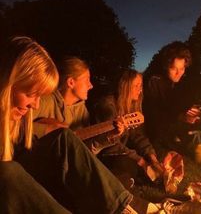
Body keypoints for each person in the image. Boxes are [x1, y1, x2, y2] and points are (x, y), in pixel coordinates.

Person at [0, 36, 141, 214]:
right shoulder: (46, 102)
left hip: (31, 169)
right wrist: (47, 128)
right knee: (8, 172)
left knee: (64, 138)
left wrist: (103, 141)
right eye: (30, 94)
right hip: (14, 175)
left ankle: (123, 209)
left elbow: (77, 159)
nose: (34, 105)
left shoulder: (81, 111)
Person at [94, 69, 164, 188]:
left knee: (158, 154)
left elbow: (138, 136)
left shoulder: (132, 106)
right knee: (126, 163)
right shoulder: (108, 106)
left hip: (123, 151)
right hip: (106, 155)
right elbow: (111, 146)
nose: (140, 90)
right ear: (125, 86)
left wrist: (153, 159)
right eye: (136, 86)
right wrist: (140, 161)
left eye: (141, 85)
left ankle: (147, 176)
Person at [143, 41, 201, 155]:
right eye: (174, 69)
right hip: (154, 133)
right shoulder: (154, 81)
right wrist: (180, 117)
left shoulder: (181, 81)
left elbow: (185, 103)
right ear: (166, 67)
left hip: (173, 129)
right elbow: (152, 115)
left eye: (182, 68)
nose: (179, 73)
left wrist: (194, 110)